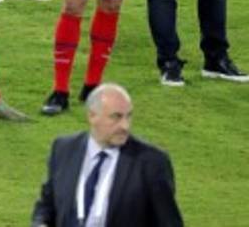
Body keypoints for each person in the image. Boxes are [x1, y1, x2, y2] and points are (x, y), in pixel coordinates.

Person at [31, 83, 183, 227]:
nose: (125, 126)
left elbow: (169, 222)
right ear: (92, 116)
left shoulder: (151, 161)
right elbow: (46, 204)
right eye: (116, 117)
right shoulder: (64, 149)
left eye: (128, 116)